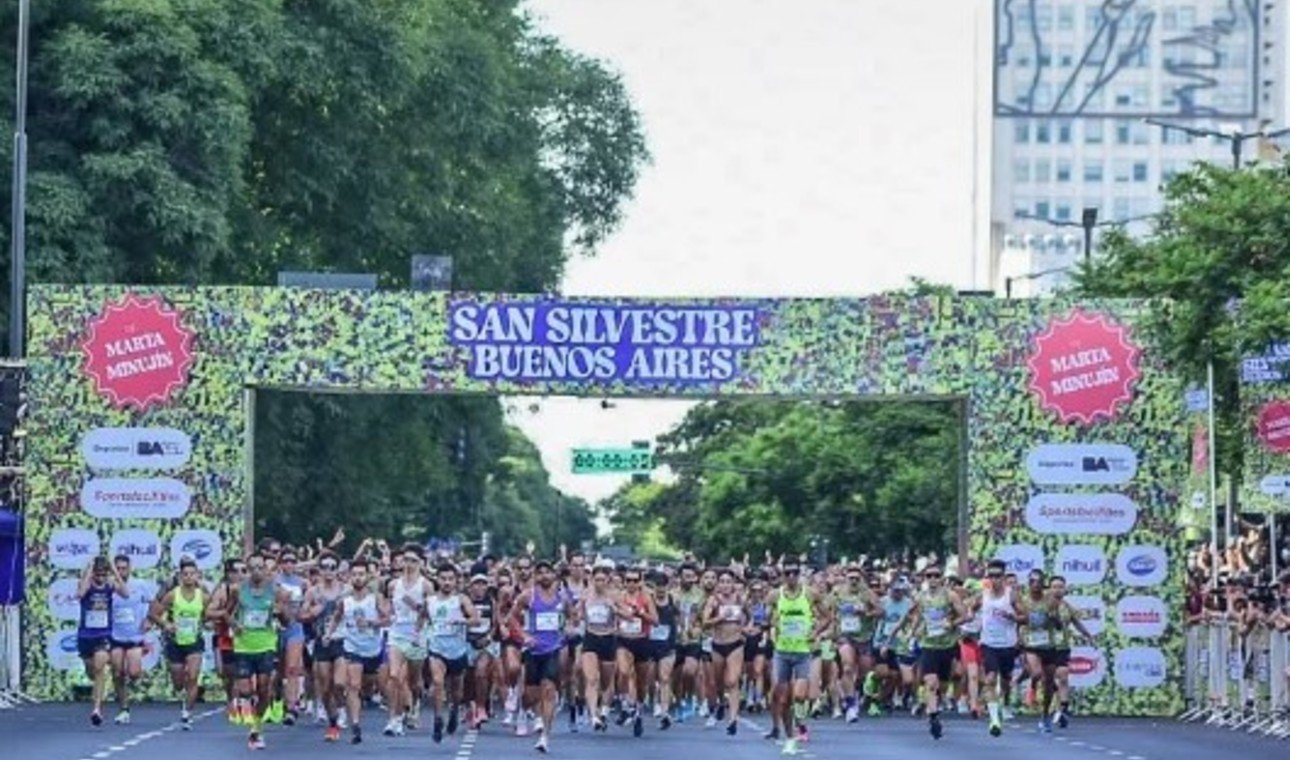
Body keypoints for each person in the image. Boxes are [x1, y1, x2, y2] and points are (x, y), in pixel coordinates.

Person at [895, 562, 968, 740]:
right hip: (928, 645)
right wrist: (911, 635)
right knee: (931, 682)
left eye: (936, 576)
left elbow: (965, 615)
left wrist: (951, 623)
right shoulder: (921, 597)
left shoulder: (950, 596)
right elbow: (916, 617)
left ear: (942, 578)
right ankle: (933, 717)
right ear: (925, 579)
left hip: (947, 645)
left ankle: (933, 702)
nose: (933, 579)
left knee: (942, 684)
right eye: (929, 576)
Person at [228, 553, 292, 749]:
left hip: (266, 644)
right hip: (243, 645)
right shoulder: (238, 590)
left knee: (264, 688)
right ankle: (250, 713)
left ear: (265, 570)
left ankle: (256, 728)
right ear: (247, 571)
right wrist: (235, 624)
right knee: (246, 690)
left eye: (260, 567)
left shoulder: (276, 591)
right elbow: (227, 613)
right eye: (252, 568)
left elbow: (287, 620)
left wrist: (280, 613)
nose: (256, 571)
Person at [509, 559, 574, 754]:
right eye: (540, 572)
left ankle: (545, 735)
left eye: (548, 572)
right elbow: (512, 618)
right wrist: (524, 636)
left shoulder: (562, 598)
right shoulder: (528, 596)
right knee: (531, 696)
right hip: (533, 650)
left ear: (554, 575)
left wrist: (569, 628)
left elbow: (572, 617)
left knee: (548, 689)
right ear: (536, 576)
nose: (544, 576)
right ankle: (523, 708)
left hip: (553, 649)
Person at [325, 557, 390, 745]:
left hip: (374, 650)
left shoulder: (375, 598)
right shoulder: (345, 601)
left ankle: (396, 715)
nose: (358, 578)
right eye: (354, 574)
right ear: (349, 577)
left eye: (361, 574)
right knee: (353, 686)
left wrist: (371, 623)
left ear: (367, 577)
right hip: (352, 648)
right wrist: (329, 634)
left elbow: (388, 619)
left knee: (378, 687)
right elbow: (337, 618)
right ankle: (355, 726)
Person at [768, 560, 826, 755]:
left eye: (795, 573)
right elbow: (765, 618)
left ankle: (801, 721)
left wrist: (815, 632)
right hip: (782, 652)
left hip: (802, 652)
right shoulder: (775, 595)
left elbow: (827, 617)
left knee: (800, 695)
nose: (791, 576)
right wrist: (771, 626)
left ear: (799, 574)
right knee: (783, 699)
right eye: (787, 573)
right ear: (782, 575)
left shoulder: (810, 593)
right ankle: (790, 738)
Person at [426, 563, 480, 744]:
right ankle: (437, 719)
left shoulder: (461, 599)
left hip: (457, 650)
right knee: (438, 681)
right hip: (437, 648)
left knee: (457, 691)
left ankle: (455, 709)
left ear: (456, 581)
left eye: (450, 579)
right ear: (437, 580)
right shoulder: (430, 601)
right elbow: (421, 619)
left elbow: (476, 619)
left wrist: (463, 620)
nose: (447, 582)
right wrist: (418, 636)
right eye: (443, 579)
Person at [152, 557, 207, 729]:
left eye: (192, 574)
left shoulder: (203, 596)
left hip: (194, 641)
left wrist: (207, 622)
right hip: (176, 641)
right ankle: (182, 692)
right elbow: (154, 614)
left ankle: (187, 712)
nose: (189, 577)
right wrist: (166, 624)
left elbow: (210, 614)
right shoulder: (172, 594)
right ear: (180, 576)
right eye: (186, 574)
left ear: (197, 576)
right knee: (178, 682)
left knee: (193, 676)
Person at [385, 546, 433, 736]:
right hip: (397, 633)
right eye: (406, 560)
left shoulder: (426, 585)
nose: (409, 564)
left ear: (421, 563)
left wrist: (417, 609)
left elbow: (430, 613)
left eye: (413, 560)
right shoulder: (393, 585)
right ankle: (394, 719)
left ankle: (414, 705)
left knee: (414, 681)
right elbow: (391, 608)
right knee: (395, 676)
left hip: (417, 635)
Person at [299, 551, 347, 741]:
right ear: (319, 570)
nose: (328, 571)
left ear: (337, 570)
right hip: (321, 642)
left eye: (332, 567)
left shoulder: (346, 590)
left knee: (339, 683)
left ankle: (342, 708)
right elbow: (300, 616)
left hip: (342, 640)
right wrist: (312, 612)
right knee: (325, 686)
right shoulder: (313, 591)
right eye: (324, 567)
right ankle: (332, 720)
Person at [78, 556, 127, 726]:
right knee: (91, 671)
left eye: (103, 575)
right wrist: (88, 572)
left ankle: (97, 709)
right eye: (97, 575)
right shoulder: (88, 583)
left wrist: (114, 572)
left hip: (103, 634)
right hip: (85, 635)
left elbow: (126, 593)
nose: (100, 578)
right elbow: (80, 594)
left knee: (99, 668)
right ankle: (96, 697)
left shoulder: (110, 584)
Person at [977, 559, 1023, 737]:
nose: (994, 580)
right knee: (989, 680)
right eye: (991, 576)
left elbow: (1025, 617)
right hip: (989, 643)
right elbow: (967, 611)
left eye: (997, 576)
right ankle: (994, 720)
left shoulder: (1011, 595)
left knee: (1005, 680)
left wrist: (1012, 617)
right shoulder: (982, 594)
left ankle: (1003, 703)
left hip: (1008, 644)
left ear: (1003, 577)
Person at [613, 565, 658, 738]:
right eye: (628, 580)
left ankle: (638, 710)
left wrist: (640, 612)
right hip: (624, 639)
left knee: (641, 682)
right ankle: (625, 704)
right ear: (624, 582)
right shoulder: (619, 597)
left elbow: (655, 621)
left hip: (642, 640)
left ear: (640, 582)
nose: (631, 583)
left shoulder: (646, 598)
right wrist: (621, 613)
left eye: (635, 580)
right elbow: (612, 613)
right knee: (623, 671)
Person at [1046, 574, 1096, 730]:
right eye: (1054, 586)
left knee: (1063, 676)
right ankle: (1054, 704)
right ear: (1049, 589)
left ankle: (1063, 710)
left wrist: (1088, 636)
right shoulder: (1042, 605)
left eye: (1060, 586)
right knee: (1046, 679)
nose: (1057, 590)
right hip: (1044, 647)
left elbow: (1077, 622)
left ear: (1065, 589)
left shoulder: (1067, 607)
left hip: (1062, 647)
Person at [108, 554, 152, 726]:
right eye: (117, 568)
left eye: (124, 568)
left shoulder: (140, 585)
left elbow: (154, 604)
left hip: (135, 636)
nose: (121, 571)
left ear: (130, 568)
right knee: (118, 673)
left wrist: (149, 620)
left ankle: (134, 683)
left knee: (133, 673)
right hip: (115, 636)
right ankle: (123, 707)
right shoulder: (110, 586)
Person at [702, 567, 746, 735]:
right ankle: (721, 701)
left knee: (733, 681)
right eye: (722, 582)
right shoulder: (714, 600)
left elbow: (749, 616)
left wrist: (745, 628)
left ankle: (733, 719)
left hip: (735, 643)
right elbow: (705, 622)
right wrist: (719, 618)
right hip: (718, 644)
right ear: (718, 585)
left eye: (729, 582)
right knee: (718, 681)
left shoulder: (739, 599)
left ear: (734, 584)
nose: (726, 585)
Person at [578, 561, 618, 732]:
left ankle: (604, 710)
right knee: (591, 679)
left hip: (608, 638)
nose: (600, 583)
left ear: (608, 580)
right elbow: (577, 615)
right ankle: (593, 716)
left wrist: (614, 608)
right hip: (591, 638)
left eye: (603, 580)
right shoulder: (586, 595)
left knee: (606, 681)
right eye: (597, 580)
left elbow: (629, 615)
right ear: (592, 580)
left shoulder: (614, 596)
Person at [647, 569, 678, 730]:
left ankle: (665, 711)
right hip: (650, 644)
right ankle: (654, 700)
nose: (660, 590)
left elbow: (681, 617)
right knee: (651, 678)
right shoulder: (648, 600)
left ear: (668, 586)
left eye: (663, 587)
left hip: (668, 644)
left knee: (665, 677)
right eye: (657, 587)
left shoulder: (673, 599)